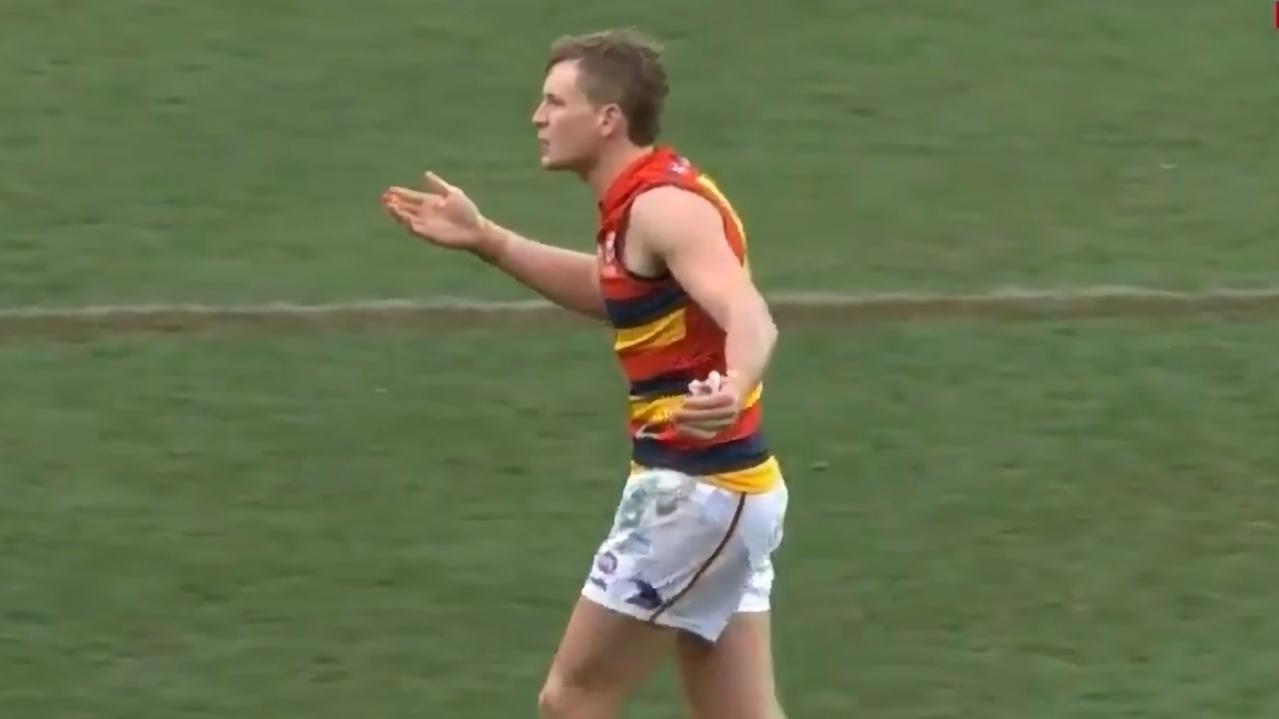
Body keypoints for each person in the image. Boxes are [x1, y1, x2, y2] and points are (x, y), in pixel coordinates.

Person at [382, 28, 790, 719]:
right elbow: (615, 291)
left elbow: (750, 315)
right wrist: (490, 242)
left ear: (607, 120)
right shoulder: (639, 199)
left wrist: (733, 381)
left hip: (695, 493)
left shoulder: (663, 206)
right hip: (722, 493)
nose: (537, 117)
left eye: (554, 102)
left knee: (572, 698)